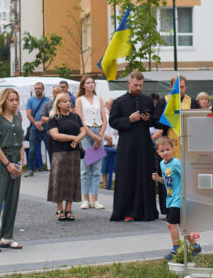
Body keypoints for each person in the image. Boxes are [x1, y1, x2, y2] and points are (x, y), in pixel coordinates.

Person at [109, 71, 160, 222]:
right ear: (129, 83)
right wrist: (128, 120)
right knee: (127, 176)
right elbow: (113, 122)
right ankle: (126, 211)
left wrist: (148, 118)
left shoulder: (147, 100)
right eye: (136, 85)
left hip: (144, 143)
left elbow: (155, 121)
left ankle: (146, 212)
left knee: (145, 175)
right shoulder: (119, 102)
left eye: (141, 85)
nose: (138, 88)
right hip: (127, 144)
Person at [0, 87, 25, 252]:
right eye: (11, 100)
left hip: (16, 160)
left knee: (12, 199)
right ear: (4, 101)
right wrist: (7, 164)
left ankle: (7, 237)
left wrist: (21, 162)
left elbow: (21, 141)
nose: (14, 103)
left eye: (16, 100)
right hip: (2, 160)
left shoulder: (18, 117)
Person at [152, 136, 201, 261]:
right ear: (158, 152)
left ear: (173, 149)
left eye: (168, 149)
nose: (165, 153)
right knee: (182, 225)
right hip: (171, 199)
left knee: (170, 224)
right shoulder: (162, 164)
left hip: (179, 200)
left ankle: (176, 250)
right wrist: (158, 179)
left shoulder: (176, 163)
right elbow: (168, 181)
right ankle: (195, 246)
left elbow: (188, 175)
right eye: (162, 151)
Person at [48, 92, 85, 221]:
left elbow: (83, 130)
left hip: (73, 153)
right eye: (65, 101)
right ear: (58, 104)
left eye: (69, 101)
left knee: (71, 181)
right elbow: (55, 135)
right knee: (59, 181)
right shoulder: (54, 118)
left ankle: (69, 209)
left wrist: (78, 139)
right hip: (59, 153)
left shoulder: (75, 116)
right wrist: (72, 138)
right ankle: (59, 209)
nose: (68, 103)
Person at [75, 76, 107, 210]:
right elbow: (80, 120)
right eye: (88, 83)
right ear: (83, 86)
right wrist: (93, 136)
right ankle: (86, 199)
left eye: (92, 83)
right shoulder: (79, 100)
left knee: (96, 169)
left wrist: (99, 136)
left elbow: (104, 119)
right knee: (85, 168)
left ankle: (95, 199)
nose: (91, 85)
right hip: (86, 133)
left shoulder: (99, 99)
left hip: (98, 130)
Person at [24, 82, 50, 176]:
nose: (37, 90)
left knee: (49, 148)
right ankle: (31, 169)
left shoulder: (48, 100)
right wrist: (36, 124)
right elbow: (28, 114)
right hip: (34, 129)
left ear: (43, 89)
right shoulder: (30, 100)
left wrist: (42, 123)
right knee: (32, 149)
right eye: (36, 88)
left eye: (39, 88)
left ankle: (54, 168)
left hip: (46, 128)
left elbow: (50, 115)